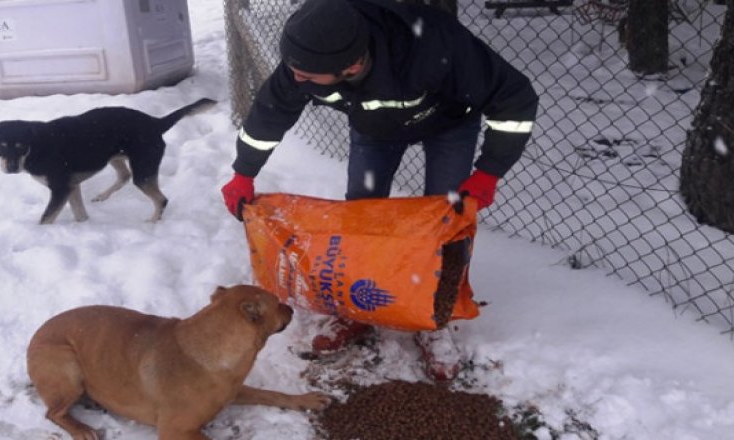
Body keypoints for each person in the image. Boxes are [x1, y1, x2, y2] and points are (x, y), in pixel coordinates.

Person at [220, 0, 539, 372]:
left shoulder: (434, 46)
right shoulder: (309, 59)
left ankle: (435, 319)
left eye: (306, 76)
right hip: (374, 128)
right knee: (361, 212)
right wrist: (243, 172)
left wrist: (489, 172)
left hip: (448, 123)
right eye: (294, 71)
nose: (296, 80)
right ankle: (356, 307)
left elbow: (515, 100)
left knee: (447, 221)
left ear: (352, 67)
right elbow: (269, 114)